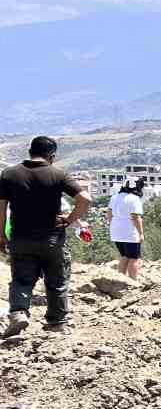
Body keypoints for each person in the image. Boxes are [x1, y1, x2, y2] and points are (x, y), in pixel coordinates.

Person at [0, 135, 91, 336]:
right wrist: (69, 219)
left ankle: (18, 313)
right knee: (56, 279)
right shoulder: (58, 174)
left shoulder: (9, 174)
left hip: (21, 238)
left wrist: (1, 236)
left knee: (21, 279)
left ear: (30, 151)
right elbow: (85, 199)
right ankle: (57, 322)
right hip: (51, 238)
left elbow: (1, 207)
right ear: (52, 156)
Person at [108, 179, 146, 280]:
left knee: (124, 256)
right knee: (134, 258)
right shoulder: (134, 199)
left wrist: (113, 226)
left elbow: (109, 215)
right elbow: (136, 217)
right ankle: (133, 281)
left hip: (116, 230)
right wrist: (141, 233)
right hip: (129, 232)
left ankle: (121, 280)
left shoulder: (114, 197)